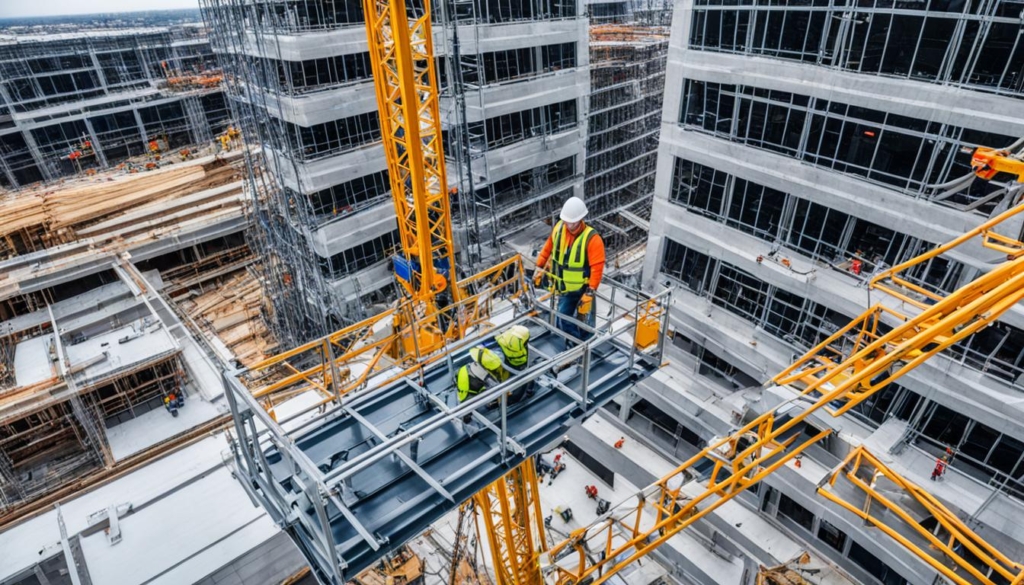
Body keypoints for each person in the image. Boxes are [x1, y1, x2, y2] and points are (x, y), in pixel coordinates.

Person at [533, 197, 606, 343]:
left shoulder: (592, 239)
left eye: (572, 222)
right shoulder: (559, 229)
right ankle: (575, 344)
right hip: (565, 288)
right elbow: (548, 247)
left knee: (586, 324)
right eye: (566, 220)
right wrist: (539, 267)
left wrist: (590, 292)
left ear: (580, 219)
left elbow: (597, 267)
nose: (568, 224)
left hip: (582, 289)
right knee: (562, 318)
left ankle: (586, 345)